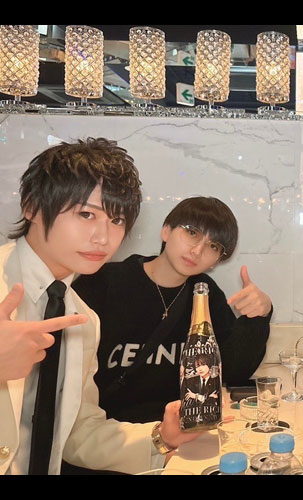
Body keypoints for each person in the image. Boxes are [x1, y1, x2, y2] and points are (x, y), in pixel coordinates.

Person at [0, 138, 197, 475]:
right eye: (86, 214)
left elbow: (77, 433)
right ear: (31, 206)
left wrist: (161, 437)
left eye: (117, 220)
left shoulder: (83, 318)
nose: (103, 238)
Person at [70, 196, 271, 426]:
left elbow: (232, 371)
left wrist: (260, 315)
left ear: (216, 261)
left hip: (176, 429)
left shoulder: (204, 294)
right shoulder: (102, 283)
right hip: (103, 432)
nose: (197, 250)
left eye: (213, 246)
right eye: (192, 233)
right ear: (166, 231)